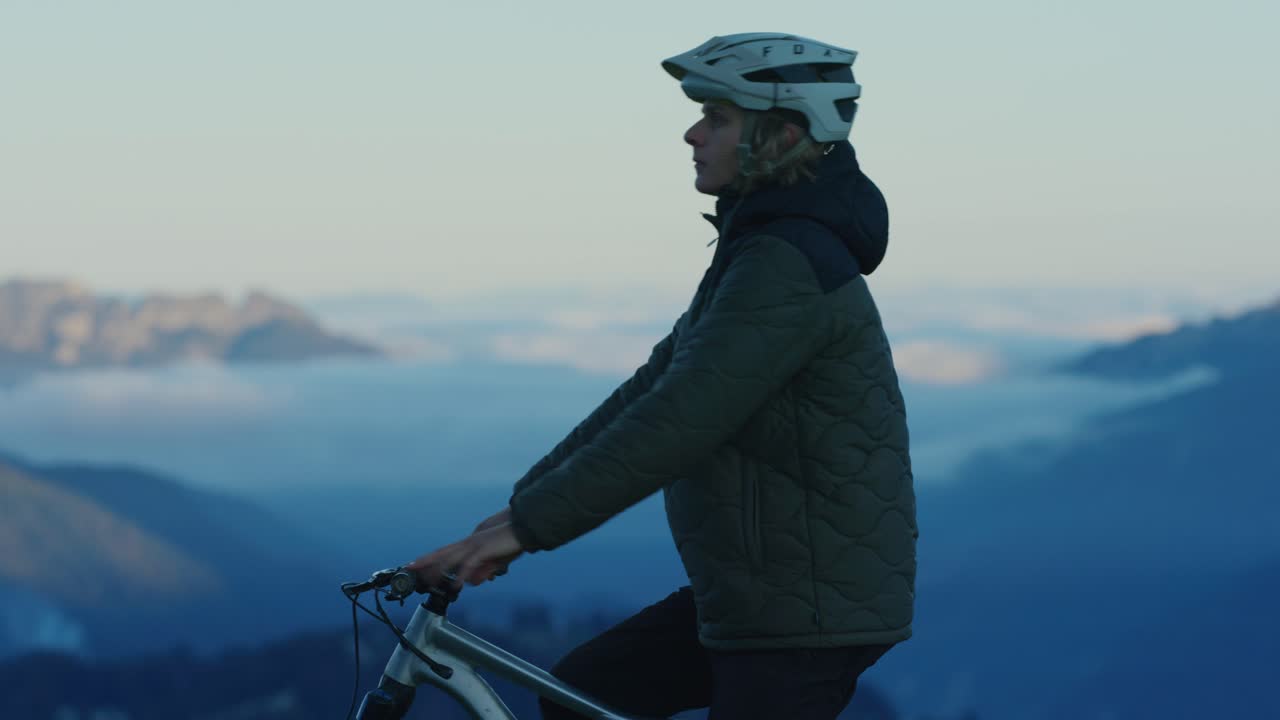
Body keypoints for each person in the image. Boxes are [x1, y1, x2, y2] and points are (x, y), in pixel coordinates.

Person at [406, 32, 917, 720]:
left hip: (805, 613)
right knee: (583, 696)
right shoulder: (761, 247)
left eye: (716, 118)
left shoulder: (786, 263)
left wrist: (527, 528)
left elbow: (678, 419)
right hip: (763, 593)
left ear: (783, 134)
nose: (692, 134)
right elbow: (652, 386)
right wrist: (520, 510)